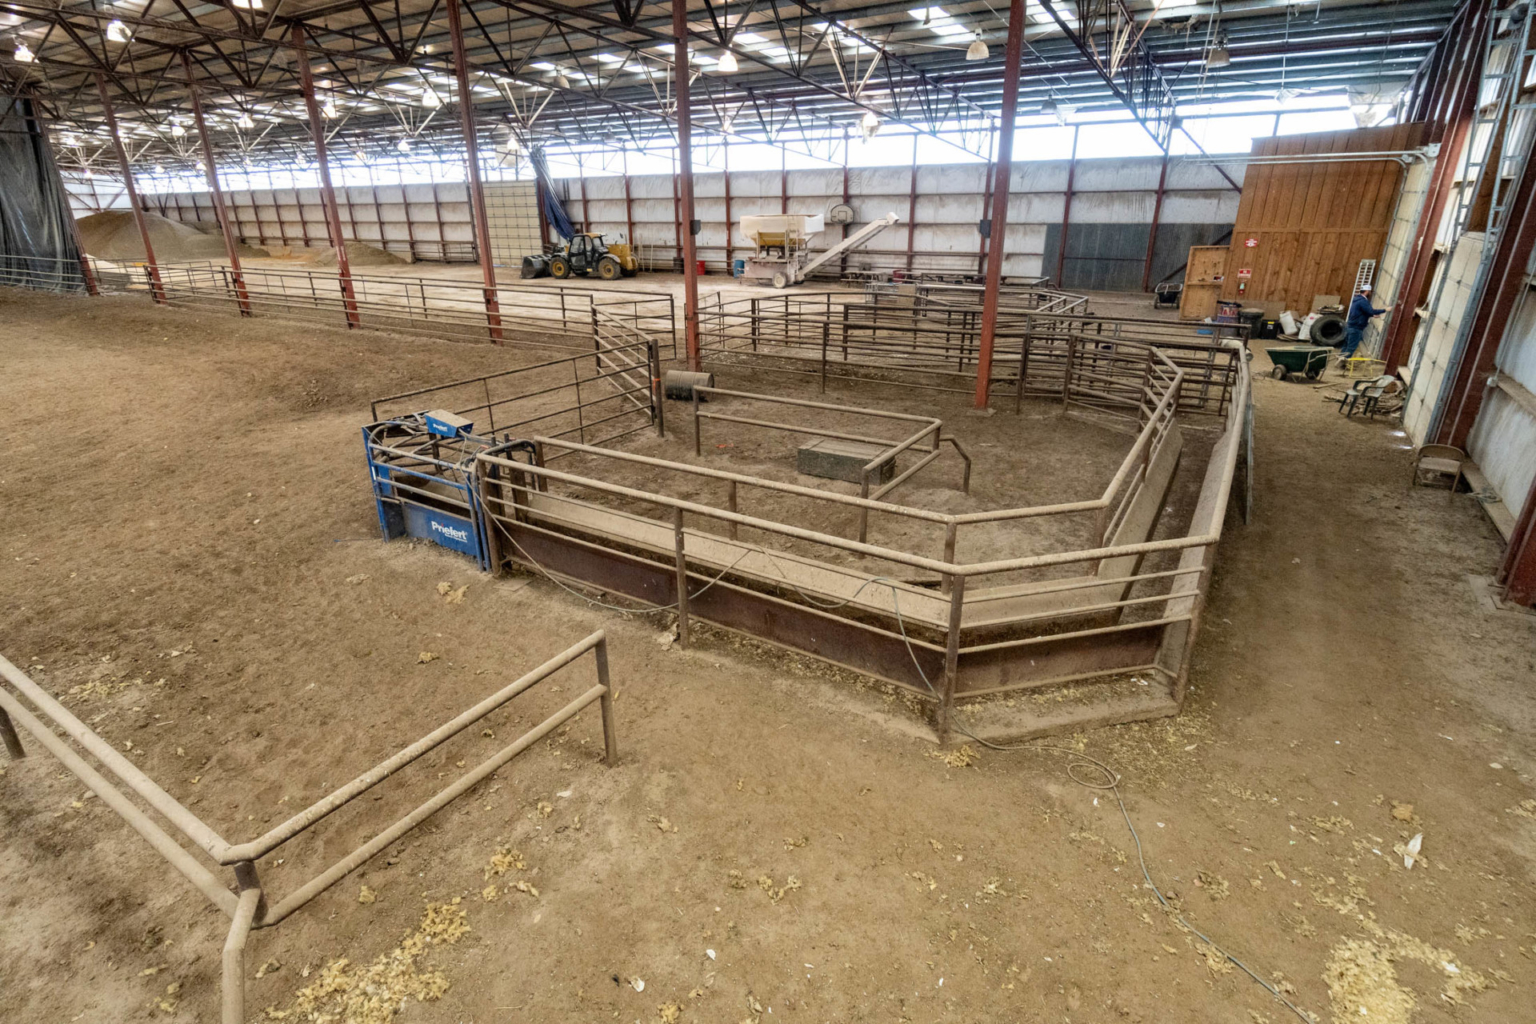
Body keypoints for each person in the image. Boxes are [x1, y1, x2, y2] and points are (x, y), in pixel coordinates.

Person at [1342, 286, 1388, 360]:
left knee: (1346, 345)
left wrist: (1372, 315)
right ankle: (1343, 362)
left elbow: (1361, 312)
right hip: (1356, 328)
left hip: (1350, 326)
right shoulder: (1363, 301)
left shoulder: (1356, 300)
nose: (1370, 293)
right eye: (1370, 292)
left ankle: (1340, 358)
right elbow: (1371, 311)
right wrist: (1385, 310)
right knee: (1351, 347)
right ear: (1367, 291)